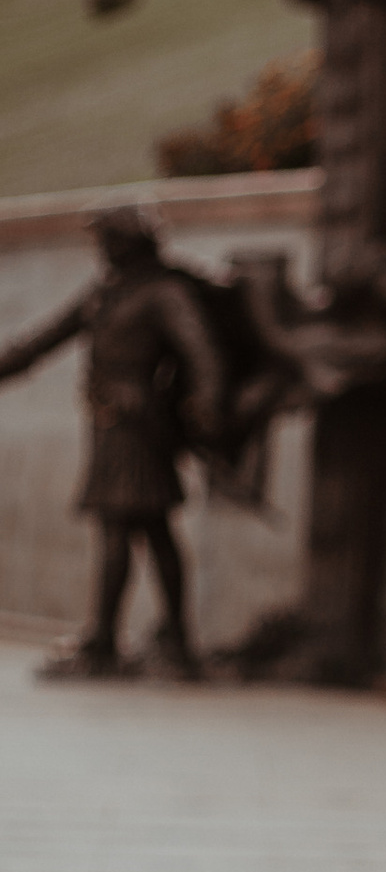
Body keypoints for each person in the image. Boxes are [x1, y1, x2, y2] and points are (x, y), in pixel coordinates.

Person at [0, 208, 225, 679]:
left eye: (108, 239)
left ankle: (115, 641)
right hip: (109, 424)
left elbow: (202, 353)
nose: (100, 248)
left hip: (140, 423)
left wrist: (205, 412)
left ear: (130, 243)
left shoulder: (164, 293)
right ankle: (155, 638)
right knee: (146, 528)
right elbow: (41, 341)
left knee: (125, 525)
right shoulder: (105, 294)